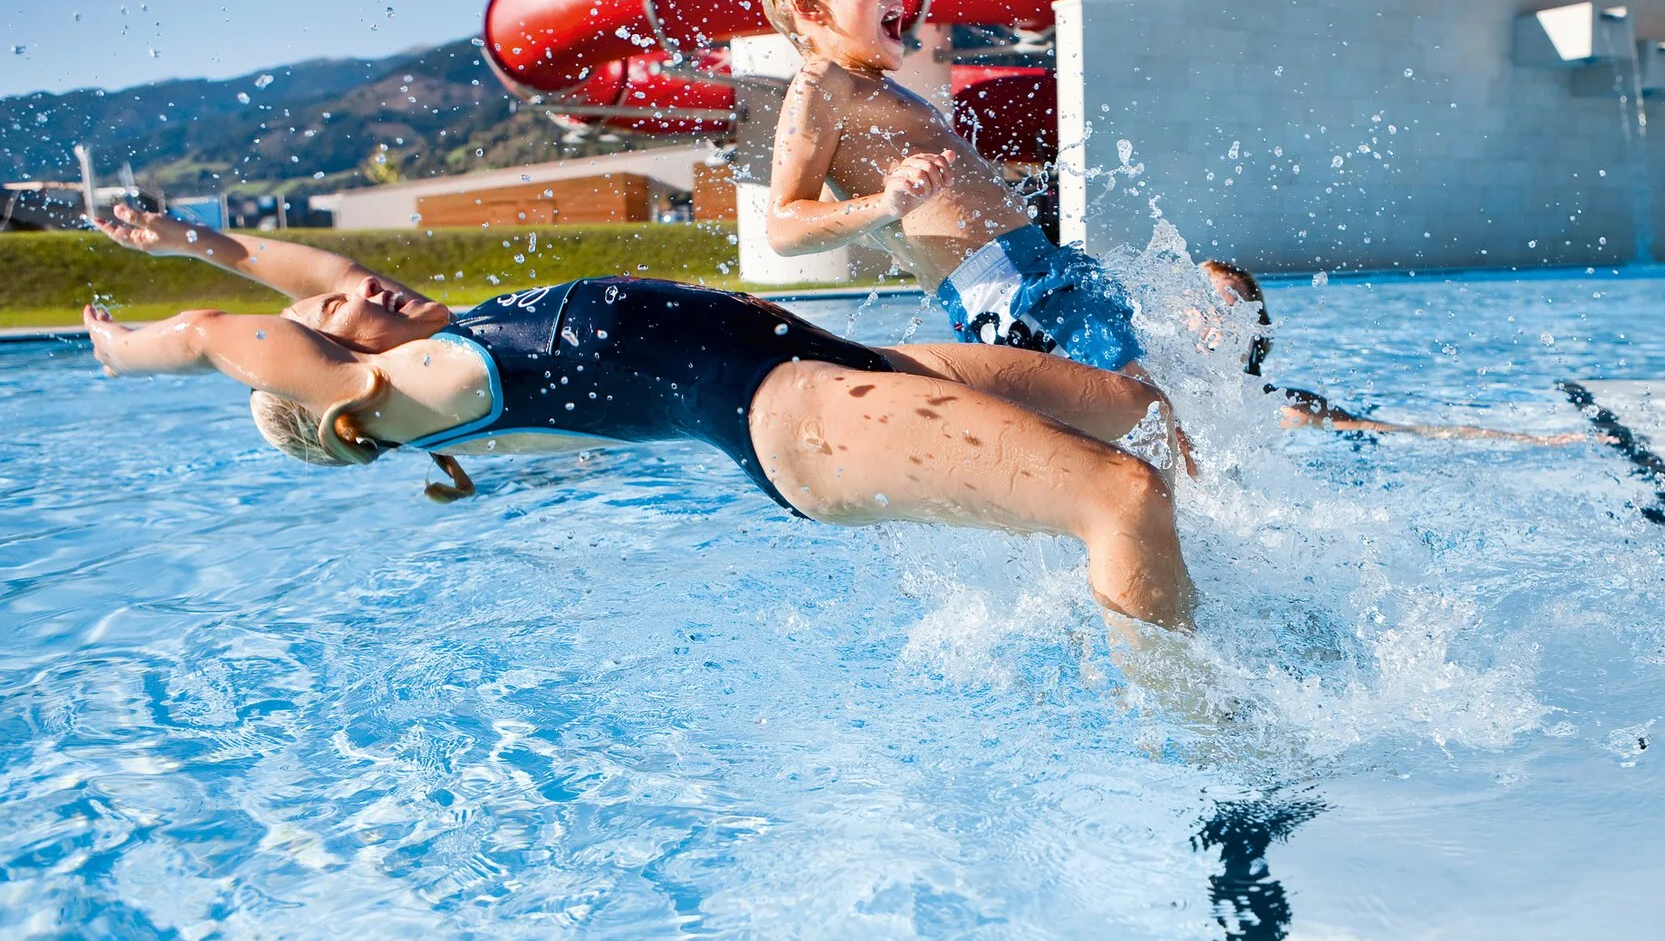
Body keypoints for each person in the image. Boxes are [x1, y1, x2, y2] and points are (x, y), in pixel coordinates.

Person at [81, 205, 1196, 631]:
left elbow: (301, 268)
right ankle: (1199, 744)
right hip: (795, 412)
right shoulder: (411, 396)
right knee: (1118, 496)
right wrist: (127, 348)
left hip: (851, 361)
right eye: (328, 319)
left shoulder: (440, 334)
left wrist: (196, 237)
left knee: (1145, 417)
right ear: (334, 398)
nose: (353, 286)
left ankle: (1222, 581)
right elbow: (217, 333)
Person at [759, 0, 1143, 374]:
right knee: (1149, 416)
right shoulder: (822, 80)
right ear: (808, 8)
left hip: (1034, 276)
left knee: (1149, 418)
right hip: (1005, 292)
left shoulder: (871, 88)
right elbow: (783, 227)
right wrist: (886, 204)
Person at [1198, 260, 1593, 444]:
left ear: (1256, 334)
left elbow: (1391, 430)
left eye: (1238, 318)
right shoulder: (1146, 400)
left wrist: (1538, 440)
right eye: (1210, 311)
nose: (1223, 328)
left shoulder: (1283, 408)